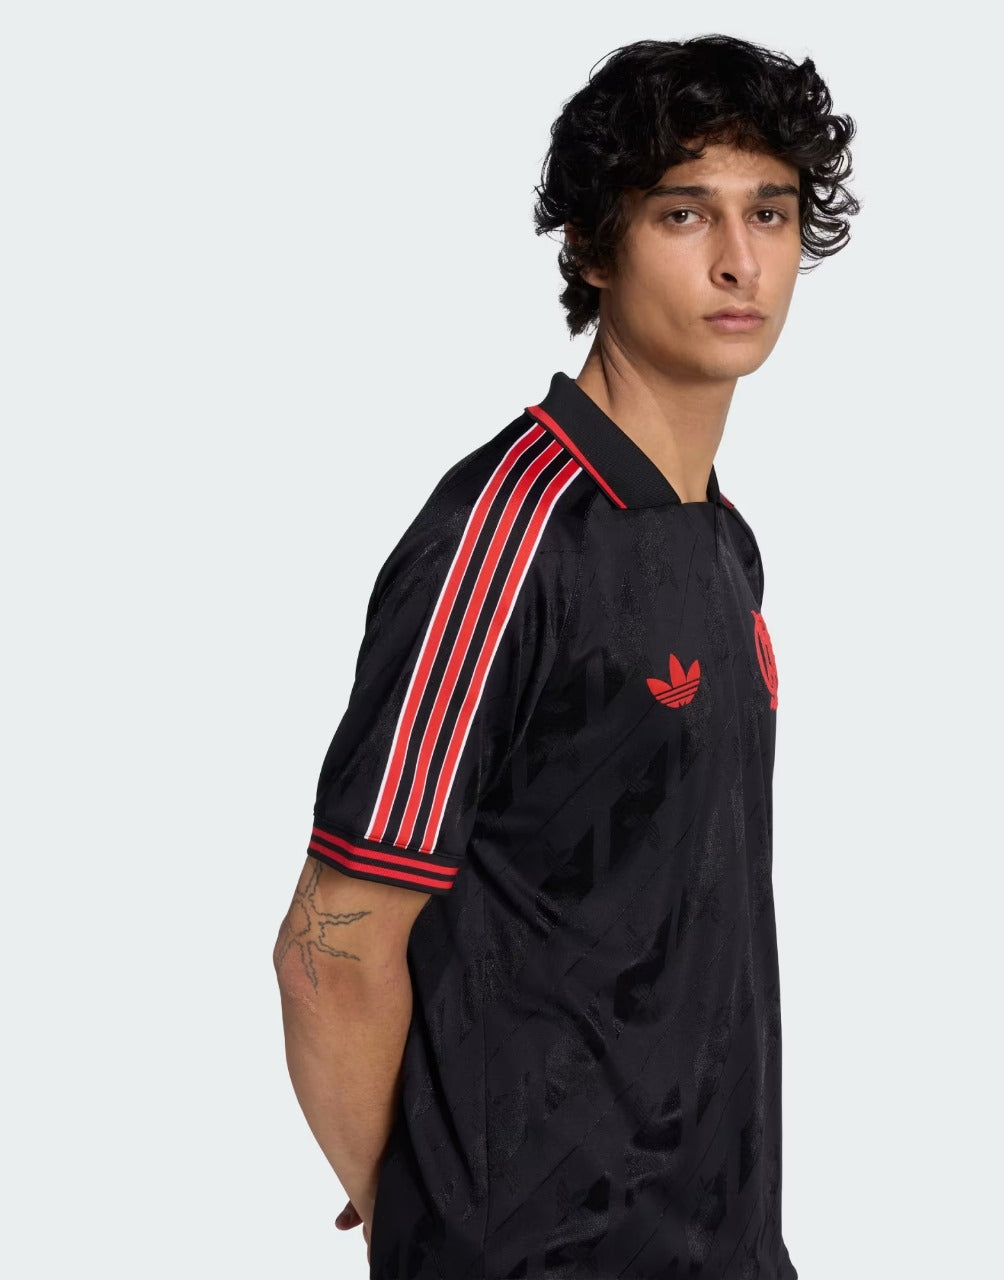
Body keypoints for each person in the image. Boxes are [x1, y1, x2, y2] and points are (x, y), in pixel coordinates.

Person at [273, 33, 858, 1279]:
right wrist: (426, 1215)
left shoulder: (721, 540)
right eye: (683, 213)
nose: (739, 257)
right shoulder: (503, 533)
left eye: (767, 211)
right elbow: (332, 945)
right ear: (593, 247)